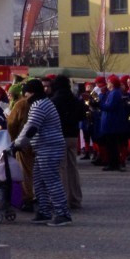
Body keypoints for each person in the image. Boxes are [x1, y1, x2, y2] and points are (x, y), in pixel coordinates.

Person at [12, 79, 71, 226]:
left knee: (51, 181)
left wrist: (18, 143)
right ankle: (44, 211)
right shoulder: (44, 102)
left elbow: (31, 127)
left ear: (31, 93)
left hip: (49, 147)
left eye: (25, 94)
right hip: (44, 147)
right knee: (38, 180)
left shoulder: (39, 105)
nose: (24, 97)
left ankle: (62, 214)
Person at [49, 75, 84, 210]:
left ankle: (63, 199)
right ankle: (76, 199)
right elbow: (81, 115)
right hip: (73, 135)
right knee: (73, 168)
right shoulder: (75, 99)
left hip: (59, 136)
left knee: (61, 169)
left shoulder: (54, 100)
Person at [6, 83, 34, 211]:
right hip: (39, 142)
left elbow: (11, 124)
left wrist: (14, 140)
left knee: (25, 171)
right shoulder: (41, 103)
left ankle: (27, 197)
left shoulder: (21, 104)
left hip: (23, 143)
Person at [99, 76, 130, 172]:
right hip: (110, 123)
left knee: (112, 145)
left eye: (108, 82)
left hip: (112, 123)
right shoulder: (112, 93)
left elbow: (110, 106)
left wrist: (99, 105)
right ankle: (113, 163)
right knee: (111, 145)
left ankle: (113, 164)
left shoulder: (115, 93)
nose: (107, 83)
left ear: (112, 83)